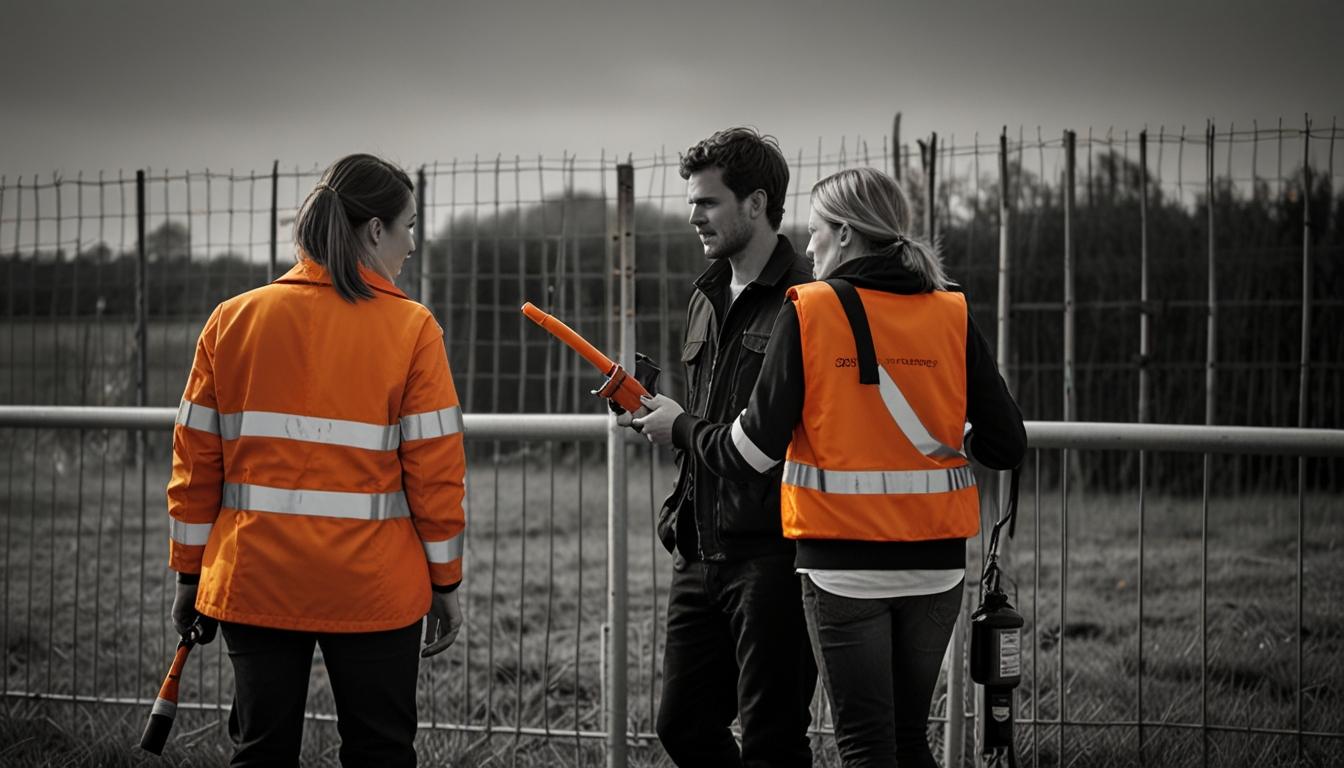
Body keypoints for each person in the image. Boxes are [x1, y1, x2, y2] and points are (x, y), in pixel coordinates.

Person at [634, 166, 1027, 768]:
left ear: (844, 234)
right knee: (906, 739)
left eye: (816, 231)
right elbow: (1007, 444)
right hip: (936, 567)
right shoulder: (950, 311)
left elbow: (750, 453)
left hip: (843, 565)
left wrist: (681, 427)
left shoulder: (811, 309)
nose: (808, 244)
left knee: (866, 745)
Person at [166, 153, 466, 767]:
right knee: (380, 751)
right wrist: (445, 583)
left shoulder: (233, 320)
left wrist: (189, 575)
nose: (414, 242)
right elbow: (435, 474)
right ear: (375, 231)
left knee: (260, 752)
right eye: (409, 225)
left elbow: (196, 465)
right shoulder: (412, 329)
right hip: (373, 589)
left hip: (253, 579)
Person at [622, 127, 818, 767]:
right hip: (698, 546)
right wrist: (664, 420)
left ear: (757, 204)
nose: (693, 216)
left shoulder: (807, 300)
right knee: (681, 727)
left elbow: (771, 435)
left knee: (773, 743)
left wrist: (682, 427)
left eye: (707, 202)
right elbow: (708, 417)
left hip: (774, 555)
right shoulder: (704, 296)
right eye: (691, 202)